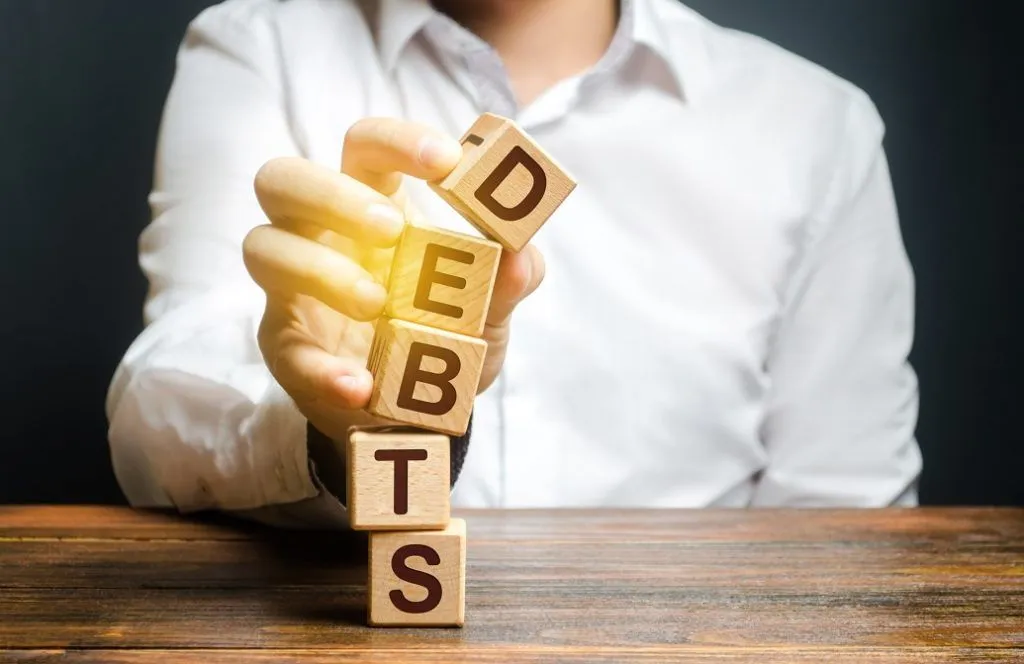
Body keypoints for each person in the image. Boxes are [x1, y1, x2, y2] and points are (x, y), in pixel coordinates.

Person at [106, 0, 922, 525]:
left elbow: (848, 524)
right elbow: (151, 435)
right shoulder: (257, 48)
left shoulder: (817, 128)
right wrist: (329, 427)